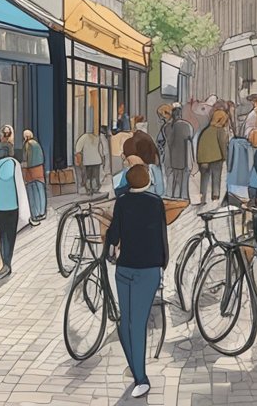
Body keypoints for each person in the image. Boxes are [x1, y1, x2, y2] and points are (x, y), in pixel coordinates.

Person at [104, 164, 167, 399]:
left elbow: (114, 234)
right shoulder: (155, 202)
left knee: (126, 322)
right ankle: (141, 378)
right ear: (148, 180)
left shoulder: (122, 202)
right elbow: (162, 234)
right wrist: (163, 262)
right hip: (149, 269)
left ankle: (135, 366)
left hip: (125, 268)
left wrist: (108, 247)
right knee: (138, 324)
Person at [0, 149, 30, 279]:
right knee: (9, 237)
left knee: (2, 235)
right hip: (11, 207)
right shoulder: (12, 163)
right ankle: (7, 263)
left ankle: (4, 262)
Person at [114, 133, 164, 197]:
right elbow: (118, 188)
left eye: (128, 155)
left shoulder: (153, 170)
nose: (124, 157)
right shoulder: (128, 171)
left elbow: (160, 191)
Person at [196, 107, 229, 204]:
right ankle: (215, 197)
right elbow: (222, 144)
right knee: (216, 177)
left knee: (204, 179)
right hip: (216, 158)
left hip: (203, 160)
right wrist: (225, 157)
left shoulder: (206, 131)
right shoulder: (220, 130)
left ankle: (202, 198)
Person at [164, 105, 195, 201]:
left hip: (171, 157)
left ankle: (173, 196)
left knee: (173, 179)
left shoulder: (167, 127)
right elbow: (191, 138)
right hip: (184, 157)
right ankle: (183, 197)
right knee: (184, 179)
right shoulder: (186, 125)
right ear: (180, 114)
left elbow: (167, 141)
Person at [21, 129, 47, 224]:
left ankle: (35, 214)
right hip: (39, 169)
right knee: (40, 190)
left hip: (30, 171)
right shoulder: (37, 144)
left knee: (32, 192)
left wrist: (23, 167)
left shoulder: (28, 145)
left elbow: (27, 159)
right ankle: (42, 212)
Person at [74, 126, 108, 195]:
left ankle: (89, 190)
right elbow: (103, 150)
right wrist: (103, 158)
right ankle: (95, 189)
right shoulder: (99, 137)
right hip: (96, 160)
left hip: (88, 160)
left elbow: (78, 149)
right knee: (95, 176)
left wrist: (79, 159)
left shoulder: (84, 137)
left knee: (88, 176)